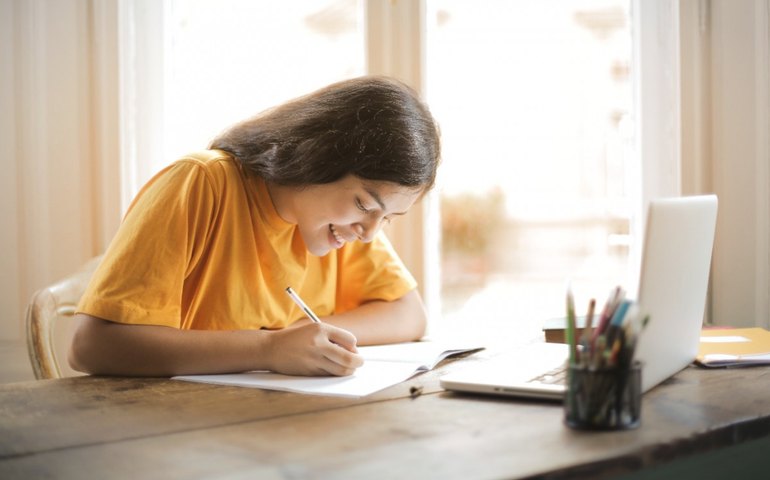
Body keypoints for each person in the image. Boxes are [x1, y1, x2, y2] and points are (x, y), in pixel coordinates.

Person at [68, 76, 441, 378]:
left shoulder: (343, 226)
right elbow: (91, 346)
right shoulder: (201, 183)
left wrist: (305, 338)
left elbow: (409, 314)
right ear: (317, 157)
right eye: (364, 205)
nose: (370, 233)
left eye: (387, 218)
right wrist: (269, 349)